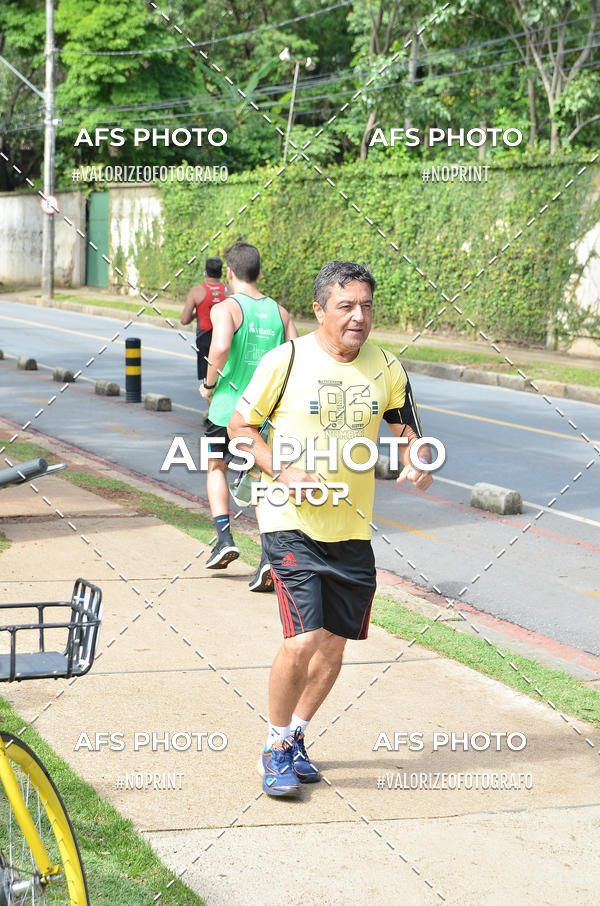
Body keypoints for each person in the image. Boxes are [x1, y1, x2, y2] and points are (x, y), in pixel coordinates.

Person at [228, 260, 434, 796]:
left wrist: (418, 459)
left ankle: (296, 735)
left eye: (366, 306)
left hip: (352, 529)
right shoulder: (288, 360)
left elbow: (408, 430)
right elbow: (239, 427)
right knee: (303, 638)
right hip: (289, 520)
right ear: (320, 310)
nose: (358, 317)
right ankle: (274, 746)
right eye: (346, 306)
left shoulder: (387, 367)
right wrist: (280, 468)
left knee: (336, 643)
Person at [199, 241, 297, 583]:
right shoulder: (281, 313)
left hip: (226, 411)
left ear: (229, 273)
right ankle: (269, 557)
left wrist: (209, 385)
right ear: (259, 272)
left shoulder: (226, 308)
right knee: (262, 482)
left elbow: (221, 346)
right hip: (264, 417)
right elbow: (293, 359)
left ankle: (224, 539)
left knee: (215, 467)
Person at [181, 257, 228, 383]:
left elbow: (184, 320)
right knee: (226, 380)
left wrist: (197, 312)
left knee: (209, 383)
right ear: (221, 273)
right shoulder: (229, 291)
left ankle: (210, 402)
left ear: (205, 273)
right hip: (226, 338)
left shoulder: (196, 291)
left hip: (205, 339)